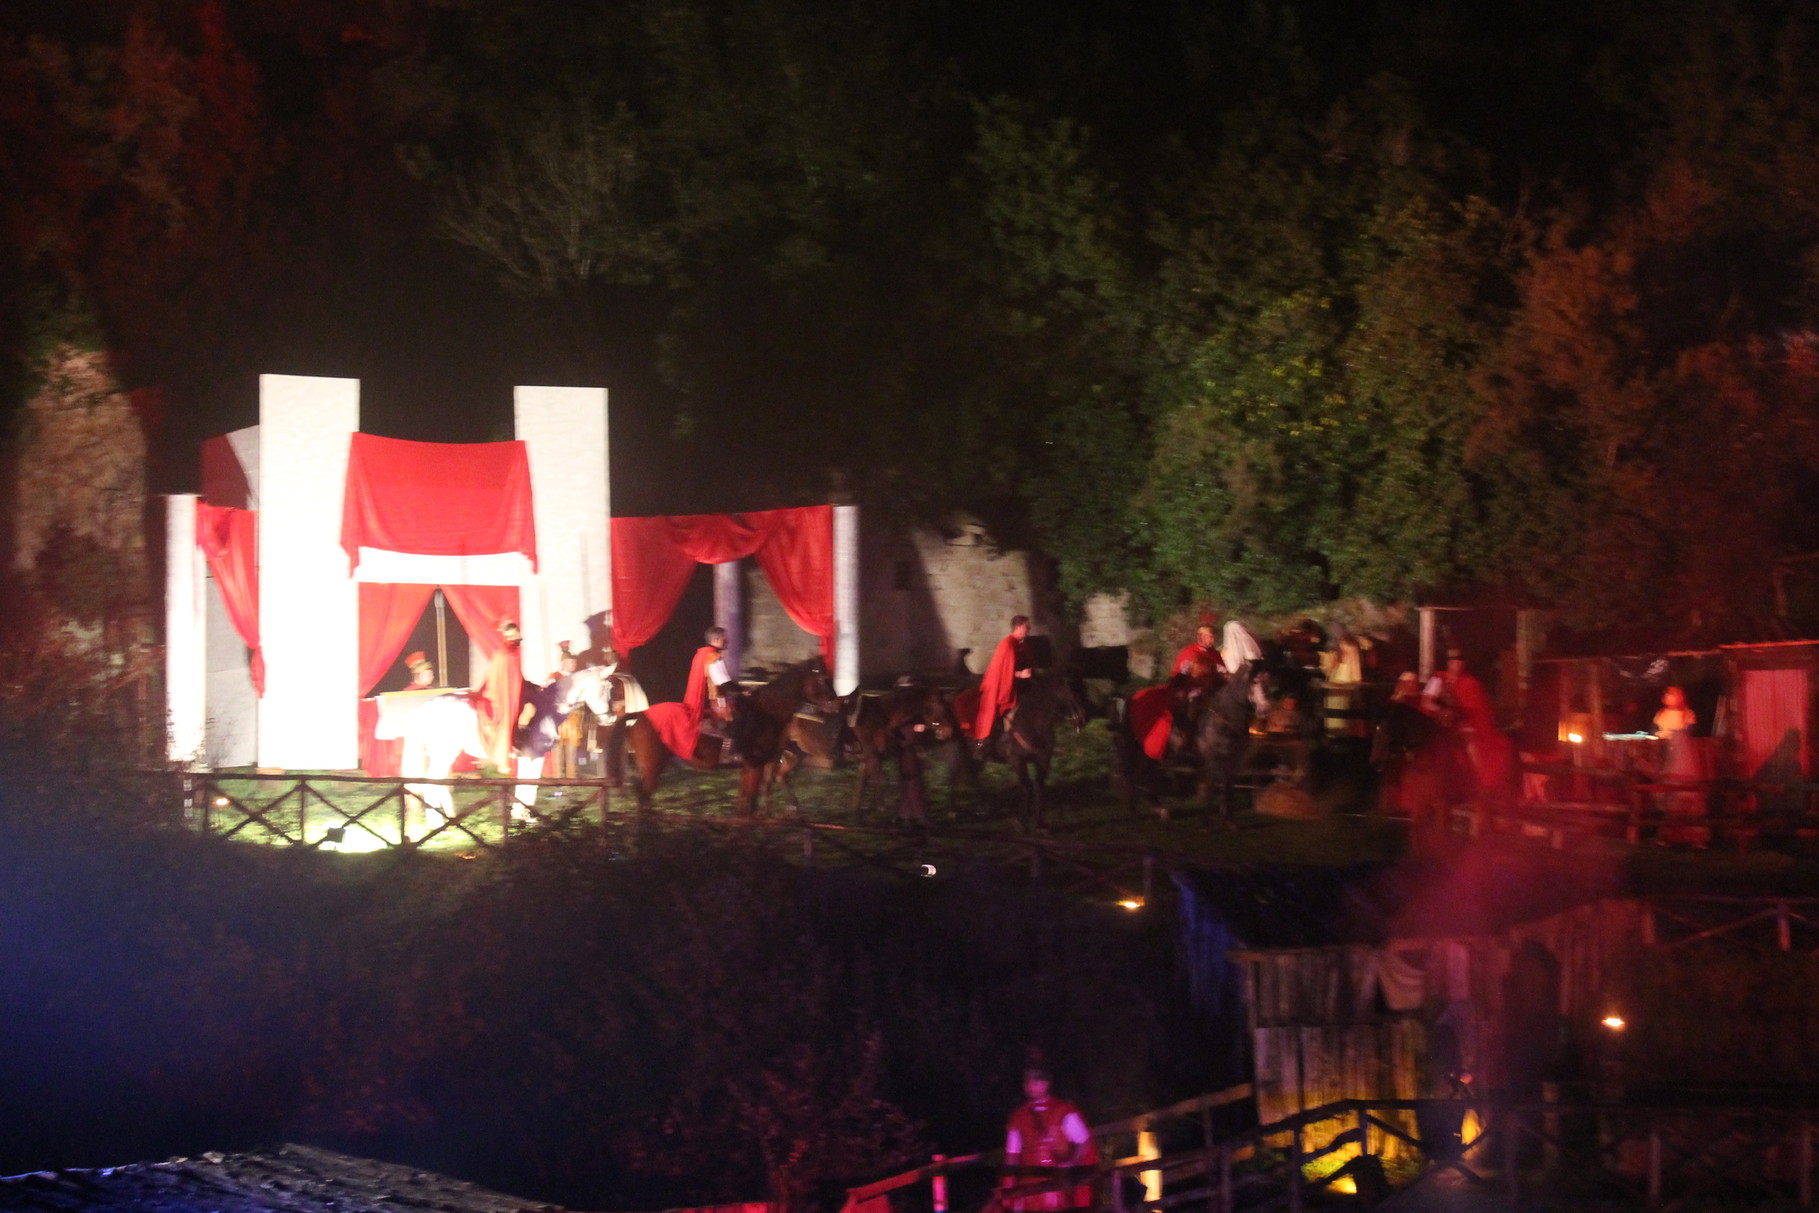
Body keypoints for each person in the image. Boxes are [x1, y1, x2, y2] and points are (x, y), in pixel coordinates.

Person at [1001, 1067, 1097, 1212]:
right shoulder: (1018, 1116)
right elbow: (1012, 1154)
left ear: (1046, 1084)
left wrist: (1071, 1163)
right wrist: (1008, 1186)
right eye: (1027, 1082)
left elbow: (1084, 1141)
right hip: (1030, 1183)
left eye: (1035, 1082)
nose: (1030, 1087)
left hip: (1059, 1182)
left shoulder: (1064, 1110)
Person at [1654, 685, 1706, 845]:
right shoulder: (1661, 715)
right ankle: (1670, 836)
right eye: (1671, 695)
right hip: (1670, 754)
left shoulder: (1687, 714)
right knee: (1673, 796)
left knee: (1690, 794)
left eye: (1677, 695)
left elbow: (1690, 731)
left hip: (1686, 757)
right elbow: (1656, 731)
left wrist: (1677, 735)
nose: (1675, 698)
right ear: (1664, 699)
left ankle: (1695, 836)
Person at [973, 615, 1035, 749]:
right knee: (993, 711)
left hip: (1018, 683)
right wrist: (1021, 674)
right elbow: (1003, 671)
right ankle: (985, 741)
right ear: (1018, 627)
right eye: (1026, 626)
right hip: (1000, 685)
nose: (1029, 628)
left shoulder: (1022, 644)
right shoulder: (1007, 645)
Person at [475, 618, 526, 774]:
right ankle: (504, 756)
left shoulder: (512, 653)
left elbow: (516, 677)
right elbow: (502, 680)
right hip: (500, 695)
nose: (518, 638)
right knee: (506, 718)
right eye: (515, 636)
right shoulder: (505, 654)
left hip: (511, 691)